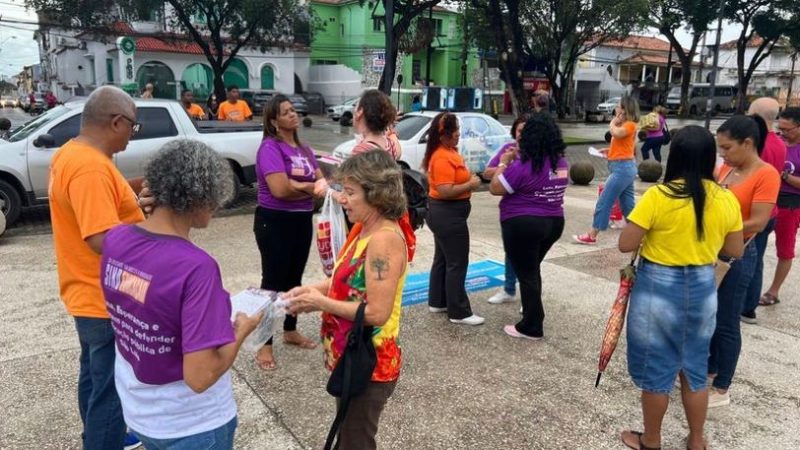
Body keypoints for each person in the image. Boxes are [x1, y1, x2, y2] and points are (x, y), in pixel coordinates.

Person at [101, 139, 263, 449]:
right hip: (190, 421)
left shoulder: (116, 238)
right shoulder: (196, 268)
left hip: (139, 409)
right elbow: (200, 376)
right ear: (199, 197)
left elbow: (142, 300)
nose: (216, 208)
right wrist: (240, 331)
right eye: (216, 197)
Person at [618, 126, 744, 450]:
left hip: (657, 289)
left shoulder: (659, 196)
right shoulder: (726, 198)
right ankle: (697, 440)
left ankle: (651, 440)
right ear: (709, 159)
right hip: (703, 287)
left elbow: (625, 243)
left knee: (656, 368)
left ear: (674, 157)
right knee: (694, 367)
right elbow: (735, 249)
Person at [285, 150, 409, 450]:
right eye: (343, 190)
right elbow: (343, 279)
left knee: (355, 442)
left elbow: (378, 313)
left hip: (370, 363)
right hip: (350, 357)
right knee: (349, 436)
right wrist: (307, 290)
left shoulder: (384, 240)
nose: (342, 199)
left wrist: (321, 303)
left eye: (351, 192)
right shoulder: (364, 229)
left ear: (376, 194)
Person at [48, 85, 145, 449]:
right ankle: (104, 439)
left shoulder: (72, 154)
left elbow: (99, 209)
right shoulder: (90, 167)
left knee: (93, 375)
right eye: (132, 128)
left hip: (85, 289)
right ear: (116, 121)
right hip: (104, 297)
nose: (132, 137)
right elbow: (101, 237)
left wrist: (133, 198)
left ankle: (97, 435)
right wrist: (150, 233)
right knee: (112, 390)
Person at [708, 115, 781, 408]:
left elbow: (760, 221)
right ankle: (709, 368)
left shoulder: (767, 174)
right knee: (710, 315)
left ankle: (722, 386)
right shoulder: (726, 169)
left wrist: (720, 226)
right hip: (715, 250)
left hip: (739, 254)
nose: (723, 154)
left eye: (727, 148)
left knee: (727, 320)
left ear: (747, 143)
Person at [253, 94, 325, 370]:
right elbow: (280, 190)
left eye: (294, 110)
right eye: (286, 112)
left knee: (295, 278)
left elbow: (322, 183)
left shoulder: (305, 150)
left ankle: (290, 329)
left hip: (301, 220)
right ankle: (265, 343)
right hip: (274, 221)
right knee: (272, 282)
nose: (293, 115)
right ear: (274, 121)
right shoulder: (270, 148)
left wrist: (300, 185)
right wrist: (307, 188)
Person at [488, 112, 568, 339]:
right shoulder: (561, 162)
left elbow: (495, 187)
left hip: (523, 223)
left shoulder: (524, 165)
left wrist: (504, 163)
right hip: (553, 222)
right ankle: (534, 316)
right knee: (531, 270)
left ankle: (532, 325)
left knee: (527, 273)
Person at [422, 112, 484, 325]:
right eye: (453, 131)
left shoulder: (448, 152)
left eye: (457, 129)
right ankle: (459, 311)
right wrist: (471, 185)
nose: (458, 134)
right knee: (457, 262)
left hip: (445, 214)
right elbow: (446, 190)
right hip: (447, 214)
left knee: (443, 259)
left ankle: (438, 301)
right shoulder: (441, 157)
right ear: (442, 136)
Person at [740, 98, 787, 324]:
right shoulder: (779, 143)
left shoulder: (760, 145)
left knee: (748, 261)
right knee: (755, 261)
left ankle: (745, 306)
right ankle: (748, 307)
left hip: (755, 213)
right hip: (771, 210)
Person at [574, 95, 640, 245]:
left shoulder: (629, 125)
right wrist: (609, 151)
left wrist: (612, 122)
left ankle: (592, 234)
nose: (616, 108)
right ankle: (640, 234)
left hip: (622, 169)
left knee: (605, 200)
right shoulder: (626, 125)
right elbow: (625, 147)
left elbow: (616, 133)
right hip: (622, 167)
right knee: (628, 205)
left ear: (624, 110)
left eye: (618, 106)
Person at [483, 115, 528, 306]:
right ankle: (509, 289)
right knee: (511, 250)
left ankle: (529, 298)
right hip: (510, 211)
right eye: (519, 131)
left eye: (526, 131)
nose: (522, 135)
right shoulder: (507, 150)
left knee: (529, 255)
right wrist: (506, 164)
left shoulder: (539, 152)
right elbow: (487, 172)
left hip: (532, 210)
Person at [761, 107, 800, 307]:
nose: (783, 132)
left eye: (788, 129)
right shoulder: (777, 142)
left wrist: (783, 175)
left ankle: (774, 291)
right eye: (780, 127)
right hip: (768, 198)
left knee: (784, 249)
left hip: (790, 204)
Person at [351, 89, 400, 159]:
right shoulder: (390, 145)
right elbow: (398, 153)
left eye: (355, 106)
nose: (353, 110)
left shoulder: (361, 152)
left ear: (360, 112)